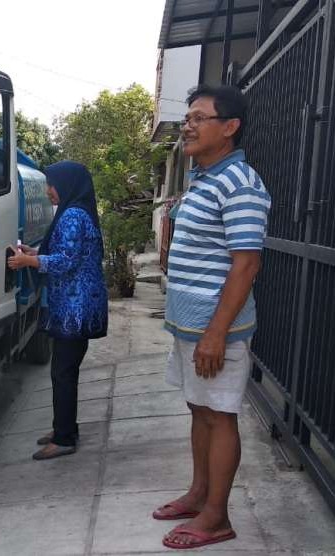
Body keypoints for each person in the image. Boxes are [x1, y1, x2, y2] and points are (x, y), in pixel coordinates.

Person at [154, 85, 271, 550]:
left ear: (230, 127)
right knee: (199, 409)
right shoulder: (204, 178)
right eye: (188, 118)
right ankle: (200, 494)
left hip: (214, 329)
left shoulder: (240, 184)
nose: (189, 125)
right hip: (189, 324)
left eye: (200, 117)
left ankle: (217, 517)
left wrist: (216, 334)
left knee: (219, 415)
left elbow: (247, 264)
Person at [7, 161, 108, 460]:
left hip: (76, 309)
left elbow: (66, 261)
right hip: (75, 305)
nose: (48, 191)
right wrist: (36, 253)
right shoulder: (77, 211)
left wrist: (29, 262)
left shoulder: (73, 215)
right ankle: (64, 427)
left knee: (63, 372)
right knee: (64, 371)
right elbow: (68, 252)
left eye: (51, 185)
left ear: (66, 184)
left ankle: (64, 438)